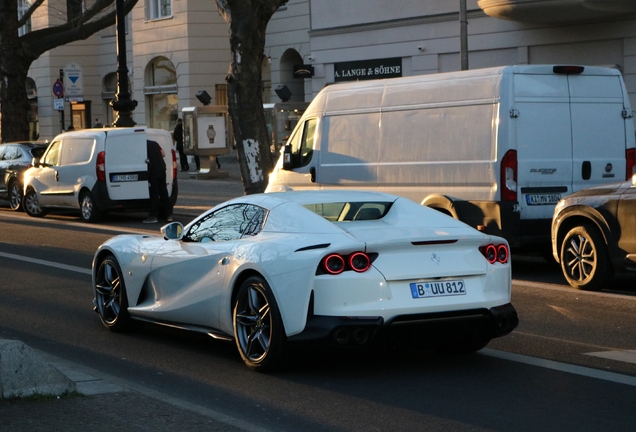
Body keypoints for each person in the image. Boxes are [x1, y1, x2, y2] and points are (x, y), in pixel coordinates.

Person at [144, 140, 173, 224]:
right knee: (164, 192)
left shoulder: (141, 145)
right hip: (161, 169)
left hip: (153, 171)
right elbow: (163, 154)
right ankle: (168, 215)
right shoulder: (154, 143)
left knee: (154, 194)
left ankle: (153, 216)